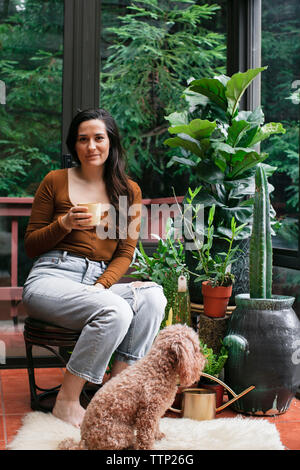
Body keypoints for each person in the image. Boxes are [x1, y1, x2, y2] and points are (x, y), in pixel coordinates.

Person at [22, 108, 167, 428]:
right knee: (115, 310)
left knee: (153, 297)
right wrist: (64, 223)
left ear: (111, 143)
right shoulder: (55, 181)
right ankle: (67, 402)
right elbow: (31, 245)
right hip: (52, 276)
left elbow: (125, 252)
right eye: (82, 139)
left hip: (98, 282)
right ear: (74, 146)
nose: (91, 146)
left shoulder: (128, 191)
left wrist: (101, 286)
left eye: (98, 138)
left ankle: (115, 395)